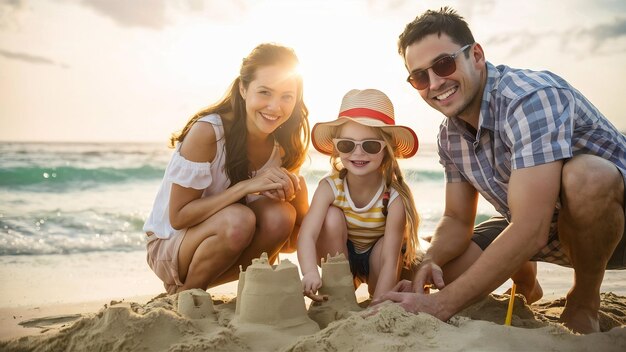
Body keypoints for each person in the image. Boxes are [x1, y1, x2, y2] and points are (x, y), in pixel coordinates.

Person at [373, 7, 626, 334]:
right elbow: (456, 219)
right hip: (545, 228)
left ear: (476, 55)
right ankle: (527, 284)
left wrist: (440, 305)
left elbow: (530, 227)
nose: (435, 83)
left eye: (444, 64)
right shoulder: (449, 135)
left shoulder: (532, 98)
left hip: (612, 232)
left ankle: (584, 301)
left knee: (587, 175)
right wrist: (431, 259)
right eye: (420, 76)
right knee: (444, 271)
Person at [143, 43, 310, 295]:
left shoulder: (282, 147)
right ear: (243, 88)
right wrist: (246, 186)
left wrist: (296, 196)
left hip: (227, 242)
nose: (275, 107)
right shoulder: (209, 131)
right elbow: (178, 217)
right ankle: (186, 293)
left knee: (281, 215)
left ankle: (250, 290)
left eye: (286, 96)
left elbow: (289, 245)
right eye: (264, 92)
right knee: (239, 220)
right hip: (171, 246)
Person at [298, 88, 422, 301]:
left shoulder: (393, 197)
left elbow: (390, 260)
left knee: (385, 246)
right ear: (336, 148)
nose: (358, 153)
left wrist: (379, 303)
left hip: (378, 260)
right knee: (331, 217)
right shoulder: (330, 187)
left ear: (387, 149)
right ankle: (339, 291)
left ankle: (377, 294)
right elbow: (307, 235)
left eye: (370, 145)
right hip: (339, 254)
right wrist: (309, 272)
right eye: (346, 144)